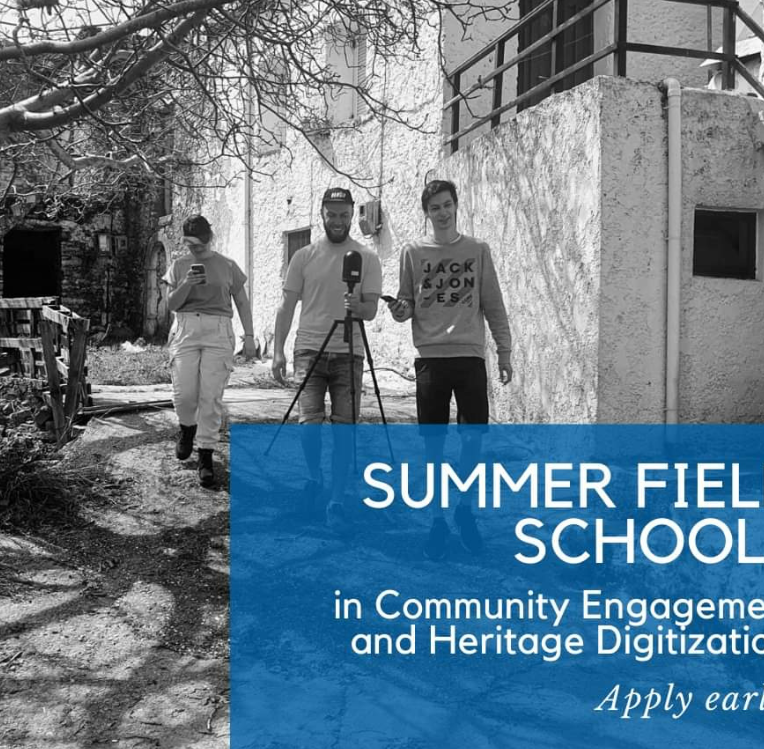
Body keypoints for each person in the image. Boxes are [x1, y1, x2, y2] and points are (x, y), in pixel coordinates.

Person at [388, 179, 513, 559]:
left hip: (470, 357)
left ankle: (465, 509)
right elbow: (407, 303)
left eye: (447, 205)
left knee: (472, 441)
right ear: (426, 213)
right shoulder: (412, 252)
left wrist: (504, 351)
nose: (442, 213)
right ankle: (438, 519)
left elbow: (493, 303)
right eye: (434, 208)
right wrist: (399, 311)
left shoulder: (477, 250)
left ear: (456, 206)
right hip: (431, 359)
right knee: (434, 445)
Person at [271, 188, 383, 529]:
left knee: (345, 431)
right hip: (309, 350)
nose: (338, 221)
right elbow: (286, 306)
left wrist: (357, 306)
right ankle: (314, 477)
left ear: (352, 215)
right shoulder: (303, 256)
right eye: (331, 214)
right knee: (309, 425)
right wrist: (277, 351)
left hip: (349, 352)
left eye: (344, 214)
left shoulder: (367, 257)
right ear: (321, 214)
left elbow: (371, 310)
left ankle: (336, 499)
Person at [164, 215, 256, 487]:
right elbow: (171, 304)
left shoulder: (227, 266)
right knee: (184, 394)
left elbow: (242, 302)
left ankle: (205, 454)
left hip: (219, 331)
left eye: (201, 243)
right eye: (191, 244)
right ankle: (187, 429)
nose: (197, 249)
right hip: (186, 329)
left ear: (210, 238)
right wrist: (187, 283)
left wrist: (249, 336)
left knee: (210, 396)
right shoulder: (179, 265)